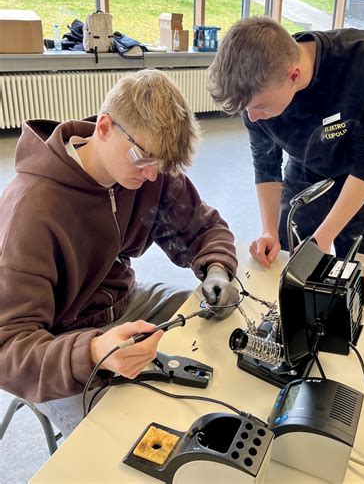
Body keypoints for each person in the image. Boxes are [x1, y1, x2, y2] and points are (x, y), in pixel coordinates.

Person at [0, 69, 239, 437]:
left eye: (159, 166)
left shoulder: (150, 169)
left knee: (211, 327)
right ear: (106, 127)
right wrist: (92, 352)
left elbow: (203, 228)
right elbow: (8, 348)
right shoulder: (31, 211)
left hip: (125, 304)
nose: (150, 177)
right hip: (60, 343)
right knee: (127, 439)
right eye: (143, 159)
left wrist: (218, 268)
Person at [208, 17, 364, 268]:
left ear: (294, 75)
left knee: (358, 272)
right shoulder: (255, 98)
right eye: (247, 111)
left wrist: (323, 237)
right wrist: (268, 231)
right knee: (288, 261)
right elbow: (266, 162)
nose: (253, 118)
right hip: (305, 169)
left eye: (260, 108)